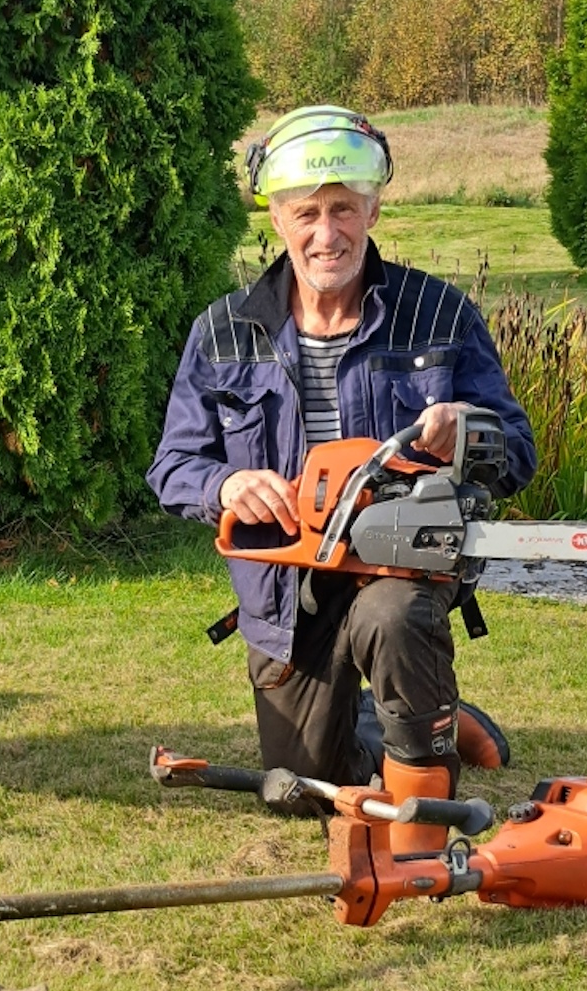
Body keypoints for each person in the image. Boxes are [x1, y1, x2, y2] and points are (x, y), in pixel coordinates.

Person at [147, 105, 536, 849]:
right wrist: (224, 488)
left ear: (374, 207)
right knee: (299, 788)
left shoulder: (439, 313)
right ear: (277, 216)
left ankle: (422, 815)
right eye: (308, 214)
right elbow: (173, 465)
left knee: (394, 618)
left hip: (403, 565)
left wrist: (469, 435)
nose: (328, 235)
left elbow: (516, 450)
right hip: (286, 587)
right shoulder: (225, 331)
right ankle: (398, 720)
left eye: (344, 210)